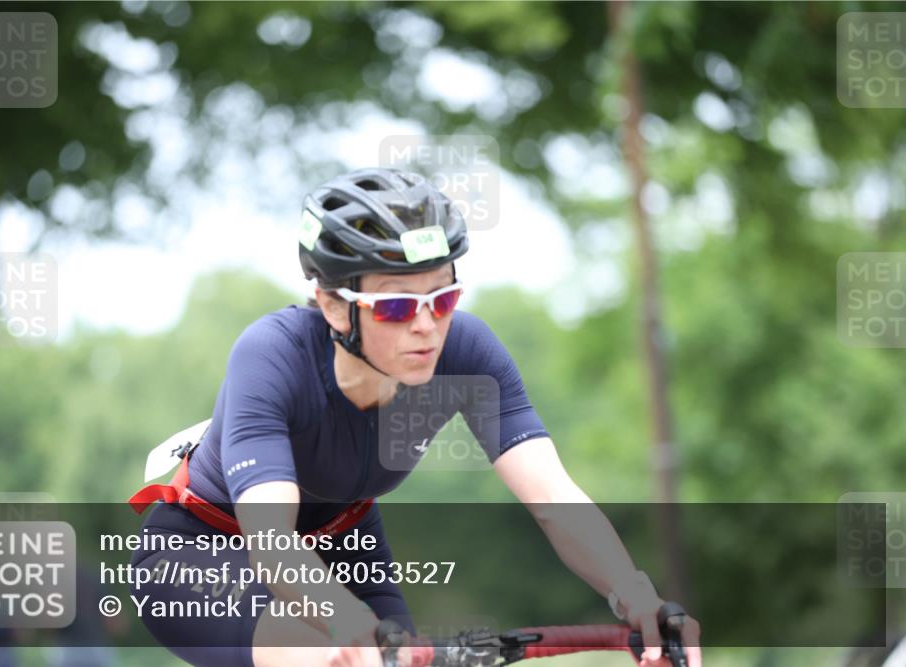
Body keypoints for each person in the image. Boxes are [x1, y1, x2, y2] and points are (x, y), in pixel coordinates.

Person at [129, 167, 702, 667]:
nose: (426, 326)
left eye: (443, 299)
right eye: (398, 306)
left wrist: (635, 596)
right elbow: (272, 541)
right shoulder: (272, 355)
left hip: (345, 542)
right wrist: (340, 621)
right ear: (333, 305)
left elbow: (555, 500)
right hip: (203, 550)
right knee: (319, 657)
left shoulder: (467, 354)